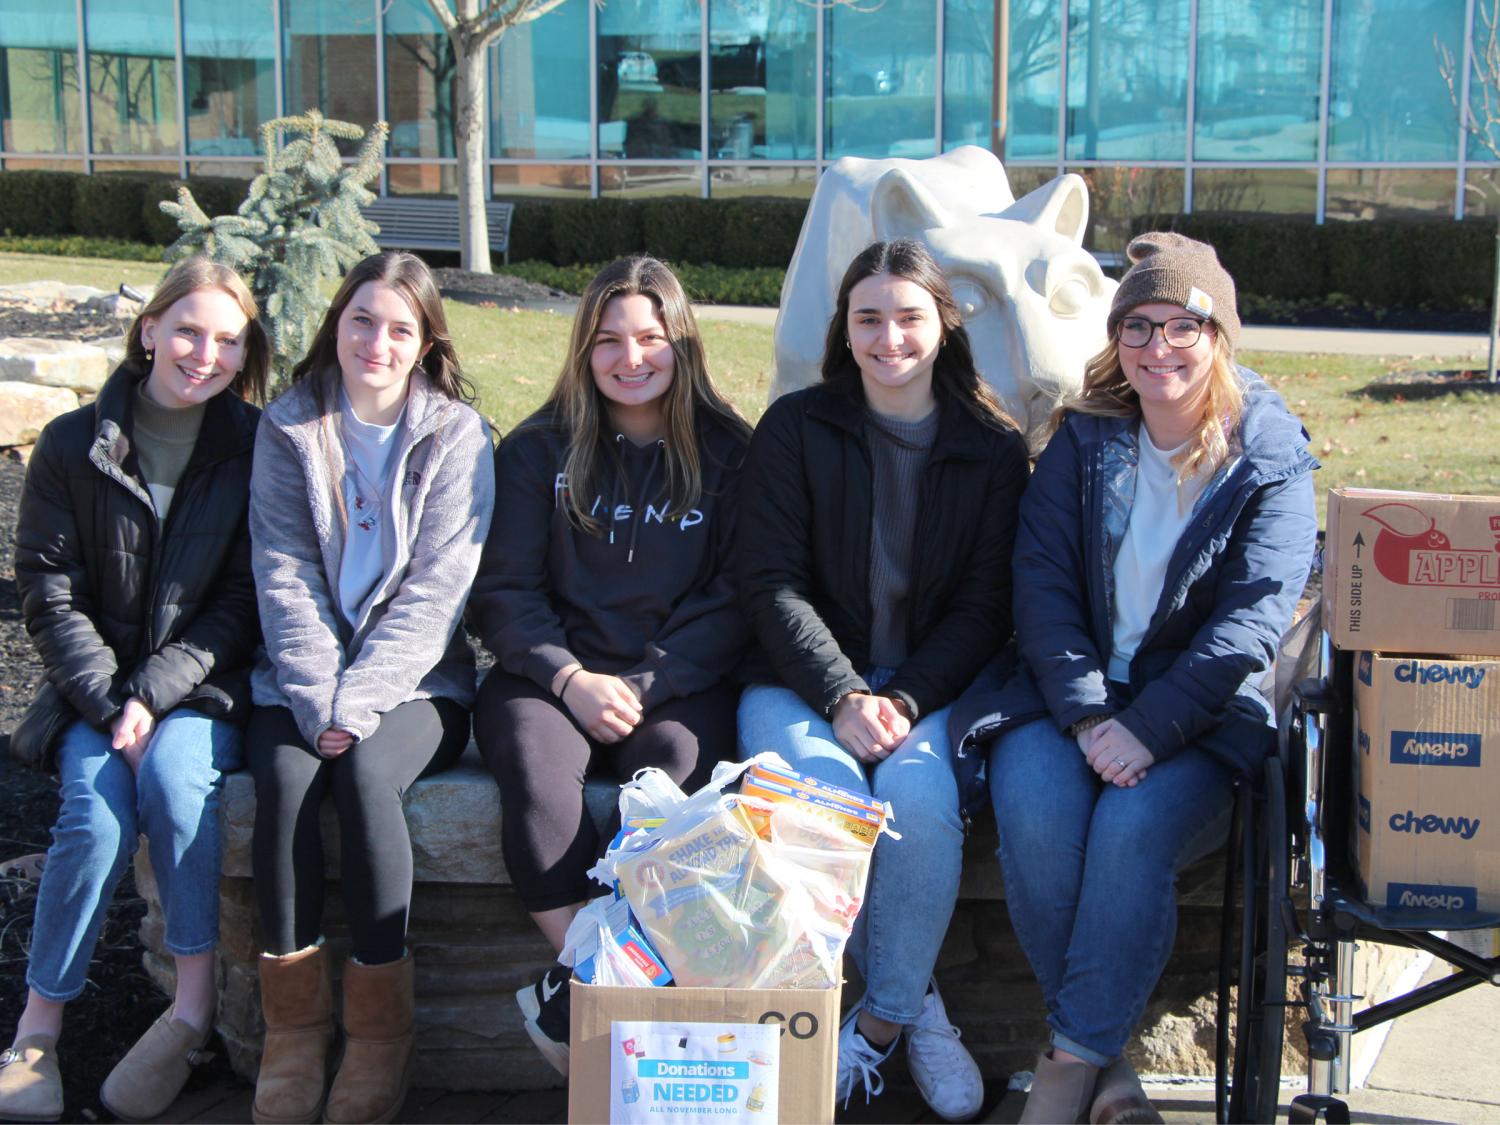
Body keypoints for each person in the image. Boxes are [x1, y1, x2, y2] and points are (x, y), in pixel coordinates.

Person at [955, 233, 1318, 1124]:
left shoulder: (1269, 459)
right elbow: (1038, 585)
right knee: (1037, 817)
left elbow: (1250, 625)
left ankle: (1066, 1068)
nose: (1160, 347)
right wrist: (1086, 715)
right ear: (1116, 338)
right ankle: (1109, 1067)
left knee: (1127, 828)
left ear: (1219, 334)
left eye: (1183, 325)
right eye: (1139, 326)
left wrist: (1149, 728)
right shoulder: (1086, 438)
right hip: (1064, 696)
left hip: (1199, 714)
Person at [736, 239, 1030, 1123]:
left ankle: (882, 1025)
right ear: (846, 328)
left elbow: (986, 608)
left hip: (934, 689)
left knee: (920, 801)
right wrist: (841, 694)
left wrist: (901, 700)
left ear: (944, 324)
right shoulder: (796, 427)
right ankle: (917, 998)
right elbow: (770, 583)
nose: (889, 336)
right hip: (800, 679)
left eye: (909, 316)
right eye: (869, 317)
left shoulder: (991, 448)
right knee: (822, 804)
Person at [2, 258, 269, 1123]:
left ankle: (189, 1009)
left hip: (203, 686)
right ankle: (39, 1029)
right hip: (95, 692)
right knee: (93, 808)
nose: (206, 353)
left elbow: (244, 599)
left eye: (228, 340)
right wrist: (115, 700)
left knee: (178, 785)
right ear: (148, 328)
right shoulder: (73, 444)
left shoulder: (256, 447)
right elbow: (48, 588)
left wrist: (156, 693)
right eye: (189, 329)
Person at [470, 255, 751, 1077]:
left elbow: (736, 595)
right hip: (547, 679)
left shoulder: (732, 452)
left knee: (679, 780)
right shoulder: (535, 450)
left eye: (651, 338)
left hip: (675, 681)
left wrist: (644, 685)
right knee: (534, 770)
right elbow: (506, 591)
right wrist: (568, 678)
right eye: (608, 340)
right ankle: (599, 981)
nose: (631, 358)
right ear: (583, 350)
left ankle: (587, 996)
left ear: (682, 343)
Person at [245, 251, 494, 1125]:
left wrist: (360, 706)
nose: (376, 342)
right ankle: (295, 1031)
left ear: (426, 341)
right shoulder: (287, 427)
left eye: (399, 328)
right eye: (362, 321)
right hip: (299, 677)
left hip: (420, 684)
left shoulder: (456, 434)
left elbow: (438, 590)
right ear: (337, 323)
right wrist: (320, 698)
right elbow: (283, 577)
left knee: (362, 775)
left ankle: (381, 1037)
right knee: (282, 783)